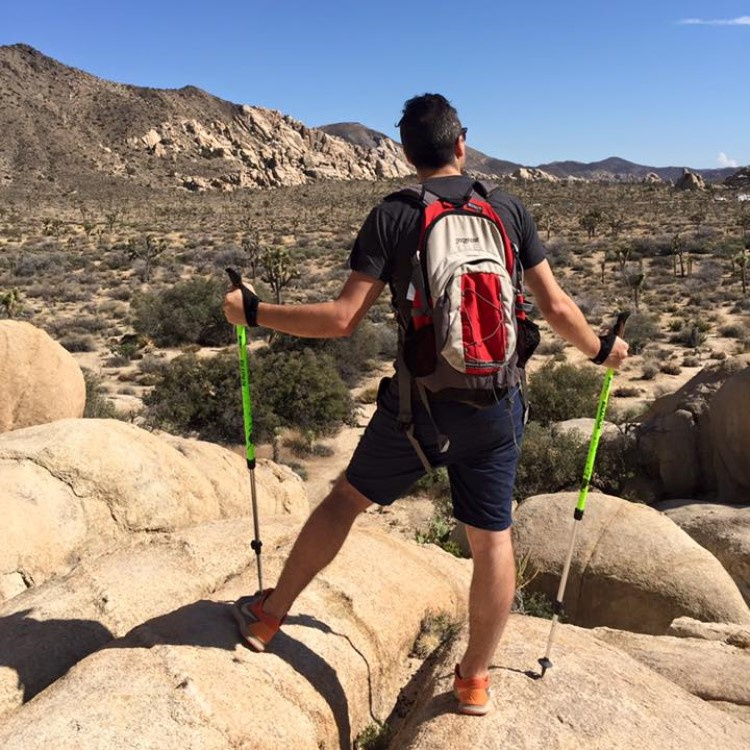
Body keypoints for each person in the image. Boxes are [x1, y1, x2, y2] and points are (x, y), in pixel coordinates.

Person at [223, 93, 628, 716]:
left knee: (345, 501)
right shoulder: (508, 209)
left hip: (419, 411)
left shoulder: (394, 214)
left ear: (406, 153)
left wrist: (253, 312)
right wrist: (603, 351)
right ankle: (474, 680)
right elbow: (556, 309)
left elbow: (339, 321)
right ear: (461, 143)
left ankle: (269, 616)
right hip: (497, 405)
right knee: (492, 540)